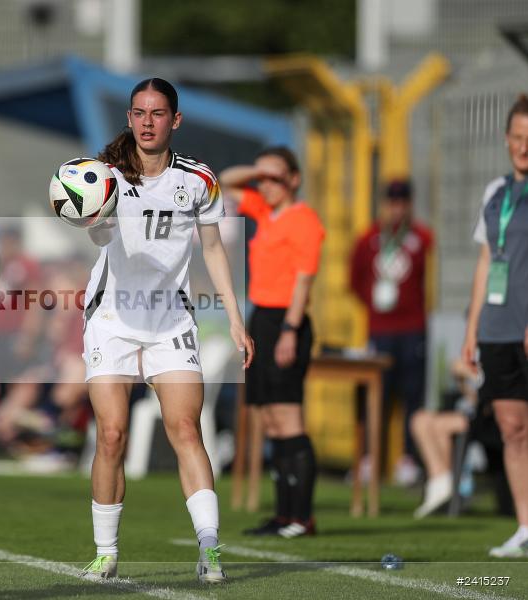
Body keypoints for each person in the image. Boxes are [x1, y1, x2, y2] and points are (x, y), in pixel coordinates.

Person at [79, 77, 253, 584]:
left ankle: (210, 550)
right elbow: (98, 233)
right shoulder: (104, 174)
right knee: (111, 435)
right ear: (129, 119)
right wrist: (92, 216)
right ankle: (105, 552)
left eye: (158, 114)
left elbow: (215, 250)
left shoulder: (199, 180)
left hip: (169, 318)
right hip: (111, 315)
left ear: (175, 121)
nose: (147, 122)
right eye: (139, 113)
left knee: (185, 429)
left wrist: (236, 320)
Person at [220, 147, 325, 539]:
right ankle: (283, 515)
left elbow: (303, 280)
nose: (266, 184)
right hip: (261, 318)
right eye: (262, 178)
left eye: (276, 177)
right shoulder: (265, 211)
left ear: (294, 179)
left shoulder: (305, 220)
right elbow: (226, 181)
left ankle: (302, 517)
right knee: (268, 420)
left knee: (288, 418)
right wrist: (260, 169)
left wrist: (290, 331)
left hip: (286, 320)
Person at [462, 93, 528, 558]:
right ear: (506, 139)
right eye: (519, 138)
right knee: (512, 428)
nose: (524, 147)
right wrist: (472, 330)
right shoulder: (495, 193)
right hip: (499, 329)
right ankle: (526, 526)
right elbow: (487, 262)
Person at [350, 179, 434, 486]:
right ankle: (371, 457)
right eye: (392, 203)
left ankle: (409, 458)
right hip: (380, 328)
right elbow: (354, 278)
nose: (397, 209)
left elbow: (427, 272)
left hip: (412, 328)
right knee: (376, 394)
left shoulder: (420, 237)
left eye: (403, 203)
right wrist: (373, 303)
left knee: (413, 395)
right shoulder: (370, 238)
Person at [410, 358, 479, 518]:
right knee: (420, 419)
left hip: (485, 420)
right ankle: (440, 480)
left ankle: (442, 483)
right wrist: (463, 376)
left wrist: (472, 373)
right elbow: (468, 393)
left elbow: (486, 398)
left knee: (438, 425)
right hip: (462, 412)